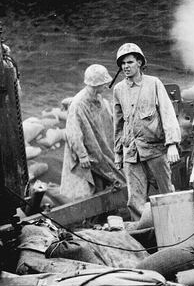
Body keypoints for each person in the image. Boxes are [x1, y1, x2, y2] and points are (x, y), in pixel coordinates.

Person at [113, 43, 181, 220]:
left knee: (167, 193)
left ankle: (174, 230)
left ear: (139, 63)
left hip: (155, 149)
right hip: (131, 152)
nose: (125, 67)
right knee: (135, 201)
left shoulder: (153, 83)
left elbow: (167, 113)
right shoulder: (119, 90)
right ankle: (144, 238)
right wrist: (118, 153)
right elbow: (118, 124)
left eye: (129, 62)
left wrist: (172, 143)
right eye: (122, 64)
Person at [60, 64, 125, 201]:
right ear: (96, 84)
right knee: (91, 189)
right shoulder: (78, 104)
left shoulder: (99, 99)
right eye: (103, 83)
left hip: (100, 150)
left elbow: (107, 121)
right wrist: (82, 155)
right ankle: (92, 219)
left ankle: (105, 214)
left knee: (106, 182)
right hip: (88, 154)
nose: (106, 86)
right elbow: (73, 132)